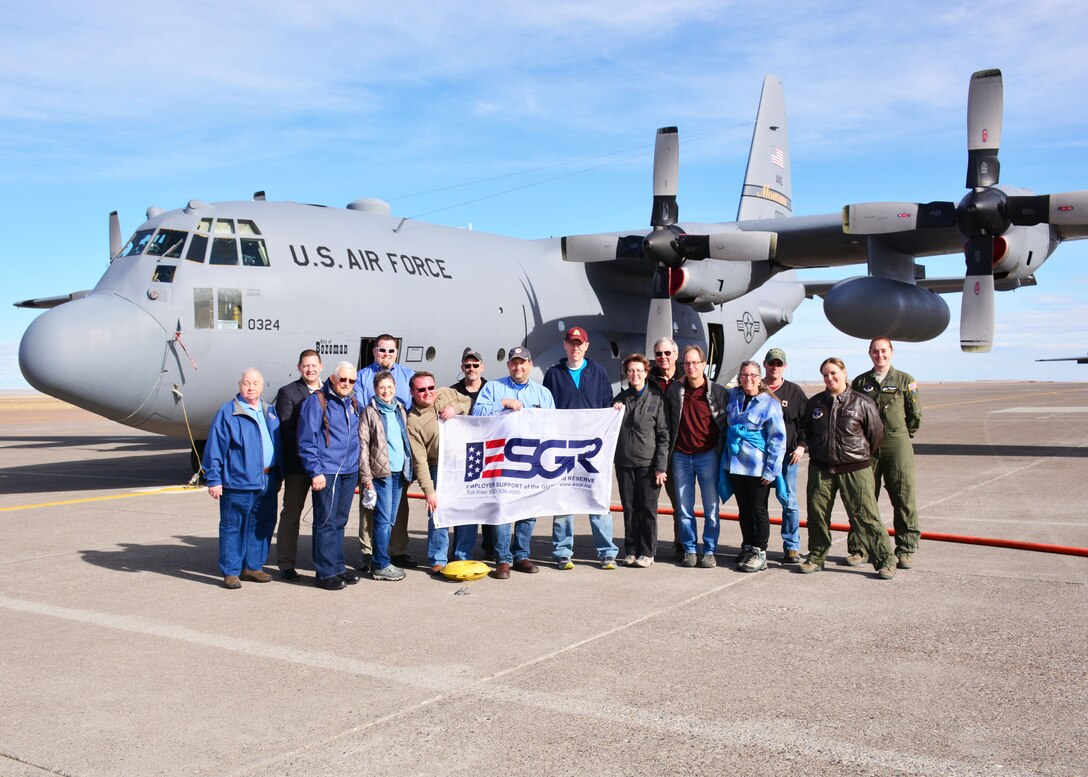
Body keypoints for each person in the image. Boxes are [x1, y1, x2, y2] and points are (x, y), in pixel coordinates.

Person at [799, 357, 896, 579]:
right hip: (821, 468)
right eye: (825, 374)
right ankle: (816, 555)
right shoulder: (815, 404)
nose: (829, 378)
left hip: (855, 468)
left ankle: (884, 559)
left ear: (844, 372)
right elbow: (808, 431)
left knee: (866, 515)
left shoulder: (862, 402)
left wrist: (857, 457)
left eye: (833, 373)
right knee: (817, 514)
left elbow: (875, 434)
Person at [472, 346, 554, 579]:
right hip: (501, 460)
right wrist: (503, 404)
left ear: (530, 364)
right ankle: (502, 559)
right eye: (514, 363)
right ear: (508, 365)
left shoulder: (542, 394)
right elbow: (477, 412)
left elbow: (551, 424)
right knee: (502, 510)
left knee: (528, 510)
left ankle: (521, 555)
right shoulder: (494, 388)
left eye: (523, 363)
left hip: (531, 460)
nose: (518, 367)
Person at [543, 326, 619, 570]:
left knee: (597, 498)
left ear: (586, 346)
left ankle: (607, 552)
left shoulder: (598, 372)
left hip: (592, 449)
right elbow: (547, 409)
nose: (575, 348)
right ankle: (562, 552)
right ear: (565, 346)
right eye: (571, 343)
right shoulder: (553, 374)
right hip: (563, 448)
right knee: (563, 501)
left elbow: (607, 403)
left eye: (580, 344)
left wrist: (614, 411)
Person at [203, 368, 281, 589]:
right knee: (233, 526)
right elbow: (215, 448)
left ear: (262, 385)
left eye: (255, 383)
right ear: (239, 385)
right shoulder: (228, 413)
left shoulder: (269, 411)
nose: (251, 387)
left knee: (262, 526)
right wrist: (214, 479)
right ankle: (231, 571)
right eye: (246, 383)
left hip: (267, 479)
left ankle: (253, 567)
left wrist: (279, 474)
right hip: (239, 481)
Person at [849, 338, 922, 569]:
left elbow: (915, 415)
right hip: (868, 445)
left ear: (891, 352)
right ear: (869, 353)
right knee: (863, 497)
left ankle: (905, 548)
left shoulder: (905, 380)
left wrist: (900, 434)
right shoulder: (861, 381)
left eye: (883, 351)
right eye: (875, 351)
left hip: (896, 442)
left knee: (903, 496)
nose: (879, 355)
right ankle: (860, 548)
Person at [297, 361, 363, 591]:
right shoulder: (317, 402)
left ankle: (337, 566)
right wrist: (315, 471)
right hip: (327, 471)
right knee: (325, 522)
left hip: (348, 471)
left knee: (340, 521)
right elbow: (307, 440)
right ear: (333, 379)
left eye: (351, 381)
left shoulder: (353, 402)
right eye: (342, 379)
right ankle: (325, 572)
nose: (347, 384)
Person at [355, 334, 417, 571]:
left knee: (398, 508)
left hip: (399, 456)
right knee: (370, 507)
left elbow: (409, 411)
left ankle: (397, 550)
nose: (387, 355)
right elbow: (364, 412)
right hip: (374, 452)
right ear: (374, 351)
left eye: (391, 351)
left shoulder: (407, 375)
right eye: (382, 350)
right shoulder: (362, 377)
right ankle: (369, 553)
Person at [664, 345, 729, 568]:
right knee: (683, 508)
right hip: (681, 456)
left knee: (711, 507)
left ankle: (709, 550)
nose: (691, 367)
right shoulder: (675, 391)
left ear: (703, 365)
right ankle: (690, 549)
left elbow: (728, 423)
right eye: (687, 363)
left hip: (708, 456)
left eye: (695, 362)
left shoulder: (718, 392)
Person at [406, 371, 474, 574]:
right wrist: (429, 491)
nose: (428, 393)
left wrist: (456, 407)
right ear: (412, 392)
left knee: (466, 510)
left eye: (430, 387)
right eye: (422, 390)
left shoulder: (447, 393)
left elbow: (469, 402)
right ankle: (438, 558)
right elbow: (420, 461)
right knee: (438, 512)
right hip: (438, 466)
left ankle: (463, 555)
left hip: (462, 461)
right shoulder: (412, 421)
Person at [723, 361, 787, 573]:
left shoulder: (770, 404)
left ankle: (760, 551)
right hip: (736, 464)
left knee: (759, 509)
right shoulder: (735, 397)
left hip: (757, 466)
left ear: (759, 378)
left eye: (752, 375)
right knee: (744, 509)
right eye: (743, 375)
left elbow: (777, 440)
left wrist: (772, 470)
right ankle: (748, 546)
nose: (747, 378)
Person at [612, 354, 669, 567]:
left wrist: (661, 467)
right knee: (629, 508)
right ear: (626, 374)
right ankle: (631, 549)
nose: (634, 374)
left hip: (648, 464)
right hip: (624, 462)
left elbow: (663, 436)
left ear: (646, 372)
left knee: (647, 509)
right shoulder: (620, 399)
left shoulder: (656, 399)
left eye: (638, 370)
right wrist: (614, 411)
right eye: (630, 371)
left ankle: (647, 551)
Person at [273, 349, 323, 580]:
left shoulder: (328, 392)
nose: (310, 369)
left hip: (325, 466)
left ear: (321, 367)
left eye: (314, 365)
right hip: (298, 466)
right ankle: (285, 562)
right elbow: (287, 430)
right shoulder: (288, 392)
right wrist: (310, 456)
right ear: (299, 367)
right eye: (306, 366)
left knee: (324, 517)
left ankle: (323, 562)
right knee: (292, 513)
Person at [762, 347, 808, 564]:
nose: (775, 367)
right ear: (765, 364)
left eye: (779, 364)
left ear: (785, 367)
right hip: (760, 459)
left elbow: (806, 422)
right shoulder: (755, 387)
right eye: (772, 363)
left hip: (787, 458)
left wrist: (801, 446)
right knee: (758, 503)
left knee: (788, 501)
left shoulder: (794, 392)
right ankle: (756, 545)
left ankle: (791, 546)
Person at [449, 348, 494, 560]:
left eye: (475, 365)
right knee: (464, 504)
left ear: (482, 367)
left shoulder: (492, 389)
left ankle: (492, 548)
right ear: (462, 368)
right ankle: (460, 551)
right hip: (463, 454)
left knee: (490, 503)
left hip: (490, 453)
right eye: (467, 365)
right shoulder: (453, 391)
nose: (471, 369)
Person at [648, 336, 684, 562]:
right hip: (651, 452)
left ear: (676, 355)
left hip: (678, 452)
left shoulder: (686, 378)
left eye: (667, 353)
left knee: (680, 504)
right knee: (648, 505)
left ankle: (682, 545)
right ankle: (647, 547)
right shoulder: (647, 378)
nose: (663, 358)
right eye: (659, 354)